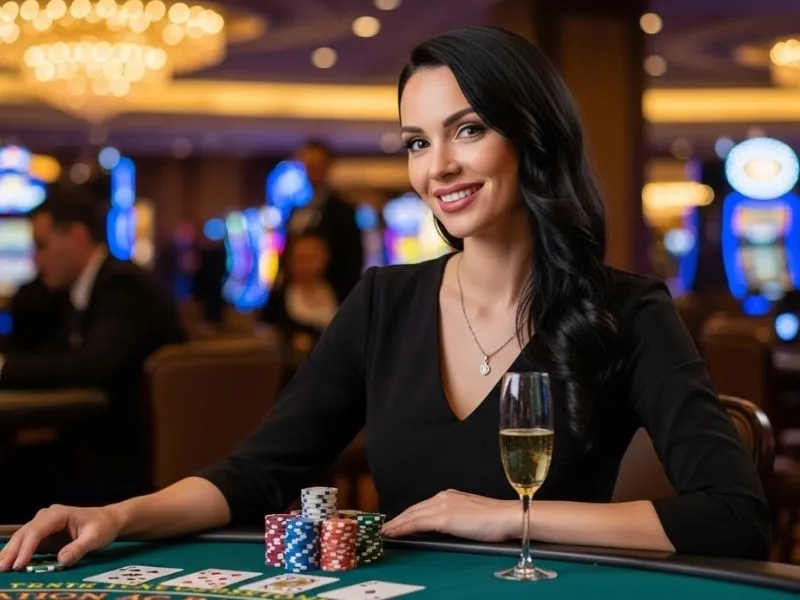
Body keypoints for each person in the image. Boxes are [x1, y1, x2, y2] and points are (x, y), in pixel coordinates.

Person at [0, 27, 770, 571]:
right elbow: (258, 472)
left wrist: (504, 517)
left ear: (532, 138)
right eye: (416, 142)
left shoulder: (629, 311)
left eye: (467, 130)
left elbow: (733, 516)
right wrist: (118, 516)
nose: (438, 166)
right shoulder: (383, 302)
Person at [0, 184, 186, 513]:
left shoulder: (123, 285)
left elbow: (93, 367)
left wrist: (4, 368)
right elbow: (54, 354)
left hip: (125, 465)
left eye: (41, 245)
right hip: (97, 450)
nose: (35, 257)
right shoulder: (85, 288)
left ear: (77, 236)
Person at [281, 139, 364, 303]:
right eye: (308, 165)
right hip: (295, 296)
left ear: (327, 167)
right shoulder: (296, 210)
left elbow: (352, 260)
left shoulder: (343, 211)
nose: (312, 171)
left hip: (332, 296)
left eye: (317, 165)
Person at [260, 232, 339, 362]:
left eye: (311, 258)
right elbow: (266, 331)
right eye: (300, 258)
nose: (306, 265)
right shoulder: (279, 297)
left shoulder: (340, 292)